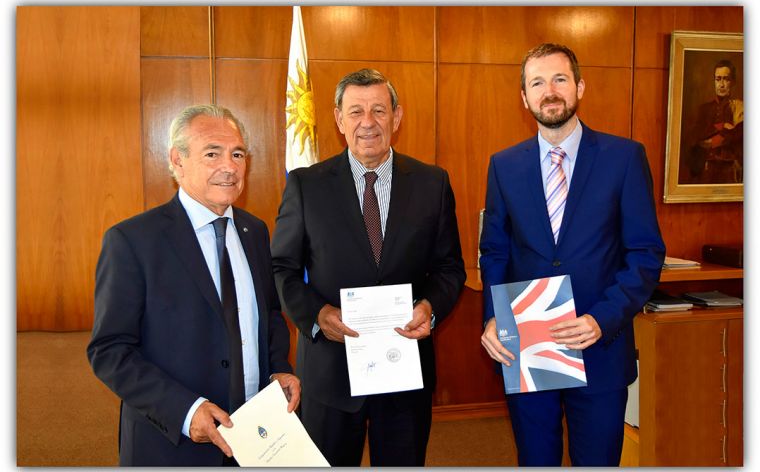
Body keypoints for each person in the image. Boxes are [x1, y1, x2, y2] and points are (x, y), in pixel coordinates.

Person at [479, 43, 665, 466]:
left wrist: (602, 319)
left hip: (600, 348)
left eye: (560, 79)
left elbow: (646, 253)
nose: (550, 91)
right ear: (524, 97)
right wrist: (493, 316)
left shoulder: (624, 158)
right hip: (527, 349)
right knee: (536, 460)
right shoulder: (504, 166)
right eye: (537, 82)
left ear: (579, 86)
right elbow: (494, 251)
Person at [271, 68, 465, 466]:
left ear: (397, 117)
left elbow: (449, 269)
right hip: (330, 372)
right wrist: (317, 315)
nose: (368, 122)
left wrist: (430, 307)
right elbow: (282, 268)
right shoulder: (306, 186)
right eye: (355, 111)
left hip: (405, 369)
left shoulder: (432, 183)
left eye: (379, 109)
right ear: (339, 120)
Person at [87, 104, 300, 466]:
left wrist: (278, 366)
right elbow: (110, 351)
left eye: (237, 154)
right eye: (212, 153)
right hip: (173, 443)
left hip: (255, 437)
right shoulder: (132, 240)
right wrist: (186, 411)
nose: (229, 167)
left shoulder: (254, 231)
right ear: (177, 160)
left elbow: (270, 314)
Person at [685, 59, 743, 184]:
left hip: (732, 169)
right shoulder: (704, 109)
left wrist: (713, 141)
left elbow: (740, 134)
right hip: (707, 168)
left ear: (733, 82)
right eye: (718, 79)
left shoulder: (739, 107)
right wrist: (722, 126)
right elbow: (696, 136)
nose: (721, 85)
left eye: (726, 79)